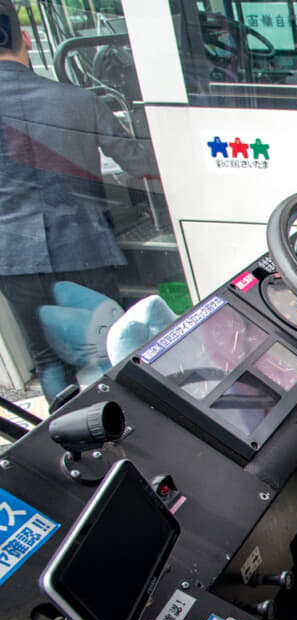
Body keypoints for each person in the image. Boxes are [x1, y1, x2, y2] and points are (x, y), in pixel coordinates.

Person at [0, 0, 158, 401]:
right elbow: (141, 164)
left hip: (14, 257)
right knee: (108, 350)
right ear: (26, 38)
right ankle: (122, 422)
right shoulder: (78, 100)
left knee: (49, 359)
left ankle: (68, 434)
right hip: (85, 247)